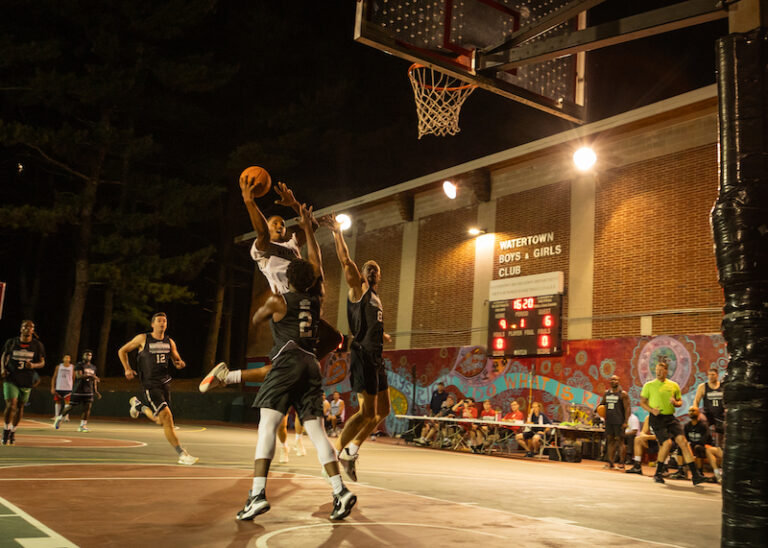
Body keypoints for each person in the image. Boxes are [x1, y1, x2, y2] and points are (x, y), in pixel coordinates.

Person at [237, 203, 355, 522]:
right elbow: (316, 262)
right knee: (317, 432)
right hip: (311, 367)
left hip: (287, 363)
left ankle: (257, 495)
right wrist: (307, 228)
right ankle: (339, 491)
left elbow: (257, 318)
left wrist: (267, 309)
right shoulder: (317, 299)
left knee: (267, 427)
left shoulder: (279, 300)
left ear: (289, 277)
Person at [199, 179, 342, 393]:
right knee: (287, 367)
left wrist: (294, 203)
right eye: (274, 222)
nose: (279, 225)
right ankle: (230, 376)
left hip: (305, 304)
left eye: (282, 224)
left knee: (334, 338)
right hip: (287, 307)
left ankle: (303, 365)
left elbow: (311, 226)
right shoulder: (262, 249)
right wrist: (249, 201)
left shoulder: (292, 245)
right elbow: (262, 233)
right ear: (265, 226)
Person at [320, 213, 391, 482]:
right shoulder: (358, 291)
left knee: (382, 411)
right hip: (362, 357)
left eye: (375, 269)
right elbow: (344, 260)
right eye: (368, 268)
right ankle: (341, 453)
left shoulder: (376, 299)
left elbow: (372, 324)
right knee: (367, 413)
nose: (371, 270)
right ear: (362, 275)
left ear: (379, 276)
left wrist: (382, 336)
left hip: (377, 358)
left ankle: (348, 451)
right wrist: (338, 233)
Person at [118, 312, 198, 465]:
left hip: (165, 383)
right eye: (159, 321)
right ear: (152, 324)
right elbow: (122, 350)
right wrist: (127, 368)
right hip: (150, 384)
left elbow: (177, 360)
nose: (162, 323)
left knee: (159, 421)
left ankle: (138, 406)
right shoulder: (143, 339)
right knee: (167, 417)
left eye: (165, 321)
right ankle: (182, 454)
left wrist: (180, 364)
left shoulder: (170, 342)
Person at [639, 359, 706, 485]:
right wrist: (651, 410)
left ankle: (695, 475)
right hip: (657, 418)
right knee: (667, 443)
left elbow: (679, 402)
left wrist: (676, 403)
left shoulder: (674, 385)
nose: (658, 372)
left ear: (666, 371)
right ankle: (658, 473)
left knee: (683, 442)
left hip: (670, 418)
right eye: (656, 370)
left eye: (661, 370)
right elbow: (642, 402)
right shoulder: (649, 385)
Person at [1, 320, 46, 446]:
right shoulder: (12, 342)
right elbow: (4, 356)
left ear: (33, 330)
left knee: (20, 406)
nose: (28, 328)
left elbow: (42, 363)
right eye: (25, 326)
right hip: (11, 378)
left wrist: (33, 365)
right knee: (11, 404)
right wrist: (3, 369)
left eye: (31, 327)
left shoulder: (37, 345)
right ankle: (6, 429)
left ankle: (13, 431)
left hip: (26, 379)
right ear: (21, 329)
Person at [54, 350, 101, 432]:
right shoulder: (79, 365)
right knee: (71, 406)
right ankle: (60, 418)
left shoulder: (93, 367)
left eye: (90, 355)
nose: (88, 356)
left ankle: (82, 425)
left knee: (87, 408)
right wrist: (90, 376)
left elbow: (94, 380)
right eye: (86, 355)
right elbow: (78, 376)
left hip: (89, 391)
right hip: (79, 390)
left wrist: (96, 390)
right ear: (83, 356)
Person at [599, 375, 631, 469]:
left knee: (620, 442)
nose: (613, 381)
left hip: (619, 421)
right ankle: (610, 462)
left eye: (615, 379)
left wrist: (626, 421)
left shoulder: (623, 394)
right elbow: (602, 404)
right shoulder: (606, 393)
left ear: (618, 381)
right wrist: (599, 410)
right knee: (610, 441)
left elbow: (627, 408)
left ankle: (622, 462)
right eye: (612, 379)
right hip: (609, 421)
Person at [693, 367, 725, 445]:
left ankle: (719, 449)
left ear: (717, 375)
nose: (711, 376)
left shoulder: (723, 386)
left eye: (713, 375)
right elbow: (696, 401)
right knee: (703, 424)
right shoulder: (703, 386)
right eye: (709, 375)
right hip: (708, 414)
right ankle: (704, 445)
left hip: (720, 414)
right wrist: (696, 412)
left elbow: (728, 400)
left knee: (720, 436)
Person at [51, 355, 74, 422]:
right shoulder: (59, 367)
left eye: (68, 357)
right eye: (65, 357)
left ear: (70, 359)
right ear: (63, 359)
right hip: (59, 386)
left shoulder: (72, 367)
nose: (67, 358)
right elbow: (54, 377)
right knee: (57, 401)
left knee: (67, 403)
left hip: (68, 387)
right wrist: (53, 387)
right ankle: (56, 416)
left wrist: (73, 387)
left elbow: (74, 378)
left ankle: (66, 416)